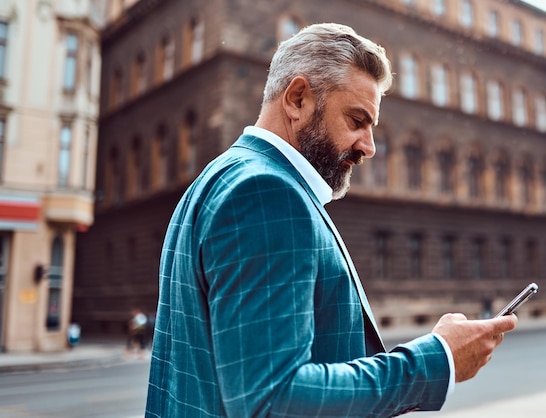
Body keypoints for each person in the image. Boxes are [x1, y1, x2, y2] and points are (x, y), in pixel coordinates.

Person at [146, 23, 517, 417]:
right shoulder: (266, 194)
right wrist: (437, 358)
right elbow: (274, 400)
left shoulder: (221, 177)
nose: (368, 147)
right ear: (298, 99)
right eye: (357, 121)